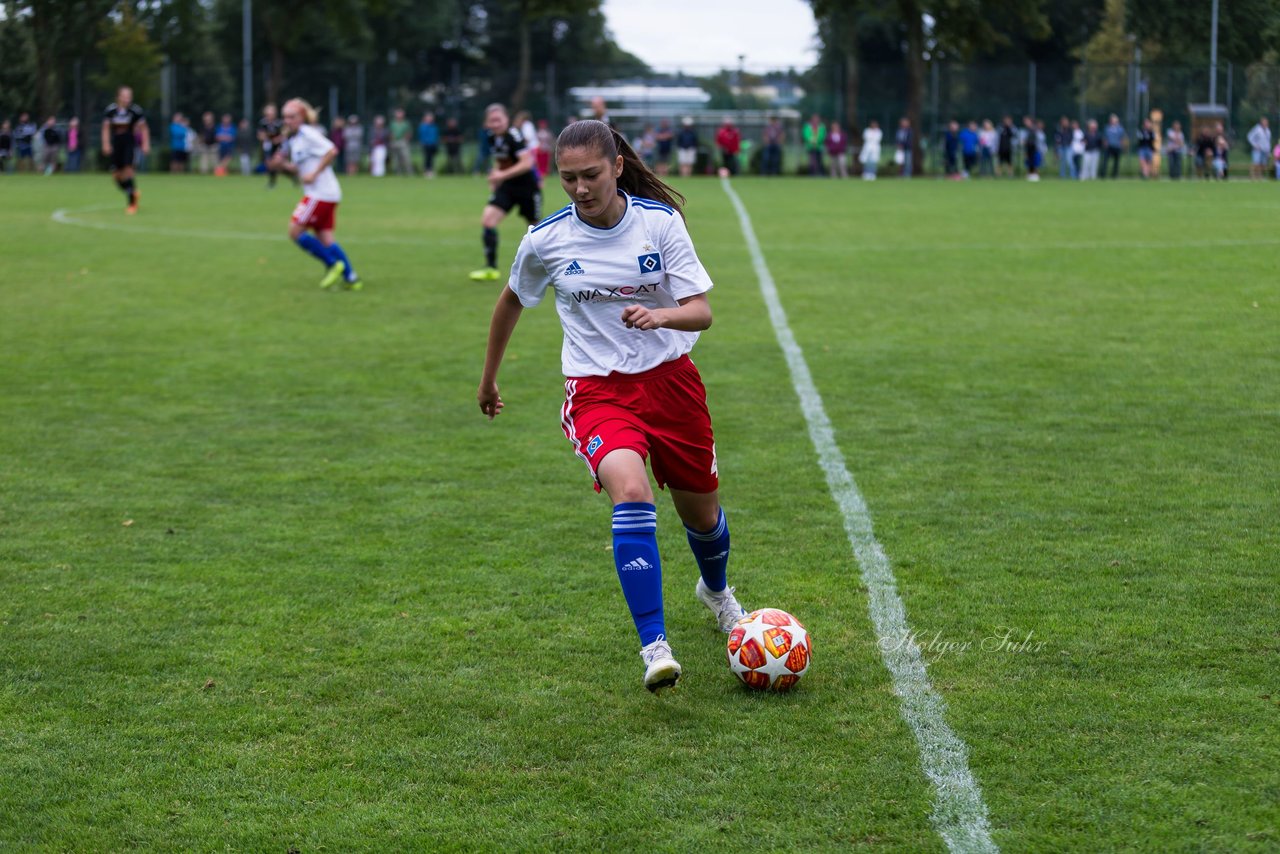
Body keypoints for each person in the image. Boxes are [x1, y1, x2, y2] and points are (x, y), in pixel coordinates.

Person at [476, 118, 748, 693]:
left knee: (703, 517)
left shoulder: (660, 223)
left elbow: (701, 310)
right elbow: (510, 303)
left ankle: (717, 592)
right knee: (631, 489)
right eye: (568, 178)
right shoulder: (545, 240)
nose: (579, 188)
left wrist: (661, 314)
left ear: (617, 166)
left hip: (672, 383)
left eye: (591, 175)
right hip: (598, 391)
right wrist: (489, 380)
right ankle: (655, 645)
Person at [270, 97, 361, 291]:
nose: (287, 121)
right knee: (325, 237)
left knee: (295, 231)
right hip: (326, 193)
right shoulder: (294, 139)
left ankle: (332, 264)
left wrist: (315, 173)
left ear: (302, 116)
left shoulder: (308, 133)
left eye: (292, 116)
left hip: (320, 193)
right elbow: (299, 170)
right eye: (285, 117)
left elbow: (331, 151)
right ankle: (351, 278)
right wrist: (282, 166)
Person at [469, 103, 540, 282]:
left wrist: (501, 174)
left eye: (498, 120)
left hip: (527, 188)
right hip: (507, 187)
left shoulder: (514, 136)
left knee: (535, 229)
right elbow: (501, 161)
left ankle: (545, 267)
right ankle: (491, 268)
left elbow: (527, 163)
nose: (495, 124)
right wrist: (496, 177)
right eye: (492, 121)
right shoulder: (492, 137)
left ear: (506, 120)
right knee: (488, 220)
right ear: (487, 123)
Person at [102, 87, 149, 213]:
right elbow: (106, 128)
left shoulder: (135, 111)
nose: (127, 99)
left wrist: (145, 144)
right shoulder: (111, 110)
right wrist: (106, 144)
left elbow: (144, 128)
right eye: (125, 96)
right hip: (116, 144)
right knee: (117, 176)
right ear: (118, 97)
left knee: (128, 170)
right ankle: (133, 192)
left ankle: (132, 204)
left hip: (129, 143)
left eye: (129, 96)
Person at [258, 103, 285, 187]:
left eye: (272, 114)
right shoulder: (263, 123)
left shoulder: (279, 123)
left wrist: (278, 139)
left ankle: (292, 175)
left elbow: (285, 134)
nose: (270, 116)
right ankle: (272, 181)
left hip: (278, 146)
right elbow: (260, 135)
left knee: (277, 163)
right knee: (269, 164)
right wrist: (265, 138)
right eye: (268, 114)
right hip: (268, 145)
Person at [389, 108, 413, 175]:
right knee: (396, 160)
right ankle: (398, 173)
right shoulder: (393, 123)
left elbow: (409, 133)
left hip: (403, 142)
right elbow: (391, 133)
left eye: (401, 113)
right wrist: (392, 140)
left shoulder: (406, 123)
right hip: (394, 142)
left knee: (406, 158)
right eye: (398, 113)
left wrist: (406, 140)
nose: (399, 115)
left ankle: (409, 173)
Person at [1102, 114, 1126, 178]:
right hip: (1109, 147)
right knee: (1105, 161)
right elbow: (1105, 137)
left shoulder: (1120, 129)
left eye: (1114, 120)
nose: (1113, 121)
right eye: (1112, 120)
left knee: (1116, 162)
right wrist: (1105, 144)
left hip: (1117, 147)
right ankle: (1103, 175)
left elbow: (1122, 138)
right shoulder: (1107, 128)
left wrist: (1122, 146)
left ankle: (1114, 175)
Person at [418, 111, 440, 178]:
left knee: (432, 158)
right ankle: (427, 171)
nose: (430, 118)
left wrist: (436, 142)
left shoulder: (434, 126)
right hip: (426, 144)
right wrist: (423, 143)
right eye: (428, 117)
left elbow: (436, 135)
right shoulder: (423, 126)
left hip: (433, 144)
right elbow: (421, 135)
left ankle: (431, 170)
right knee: (427, 158)